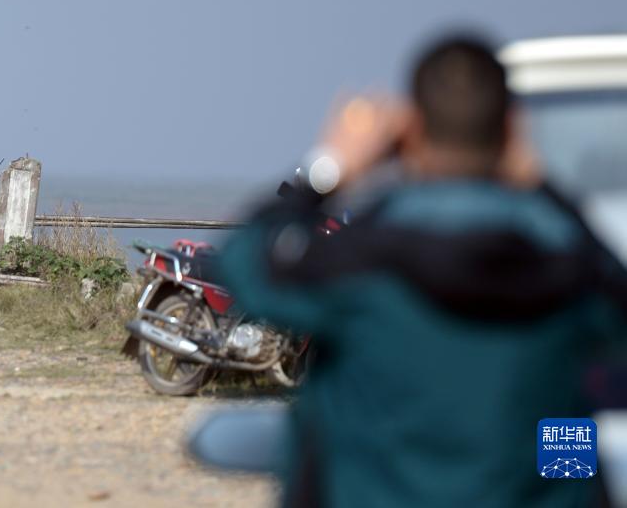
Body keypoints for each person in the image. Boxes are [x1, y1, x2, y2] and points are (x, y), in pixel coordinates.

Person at [217, 34, 627, 507]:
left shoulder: (357, 261)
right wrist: (545, 186)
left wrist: (330, 167)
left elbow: (244, 260)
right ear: (512, 130)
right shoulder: (567, 269)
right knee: (564, 424)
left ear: (409, 131)